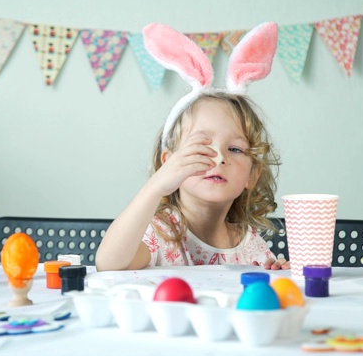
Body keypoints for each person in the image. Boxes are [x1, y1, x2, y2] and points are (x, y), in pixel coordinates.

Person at [95, 22, 289, 271]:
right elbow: (108, 264)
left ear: (252, 175)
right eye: (202, 145)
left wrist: (280, 273)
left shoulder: (251, 244)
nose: (218, 158)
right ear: (169, 164)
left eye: (235, 149)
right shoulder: (161, 233)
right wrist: (156, 186)